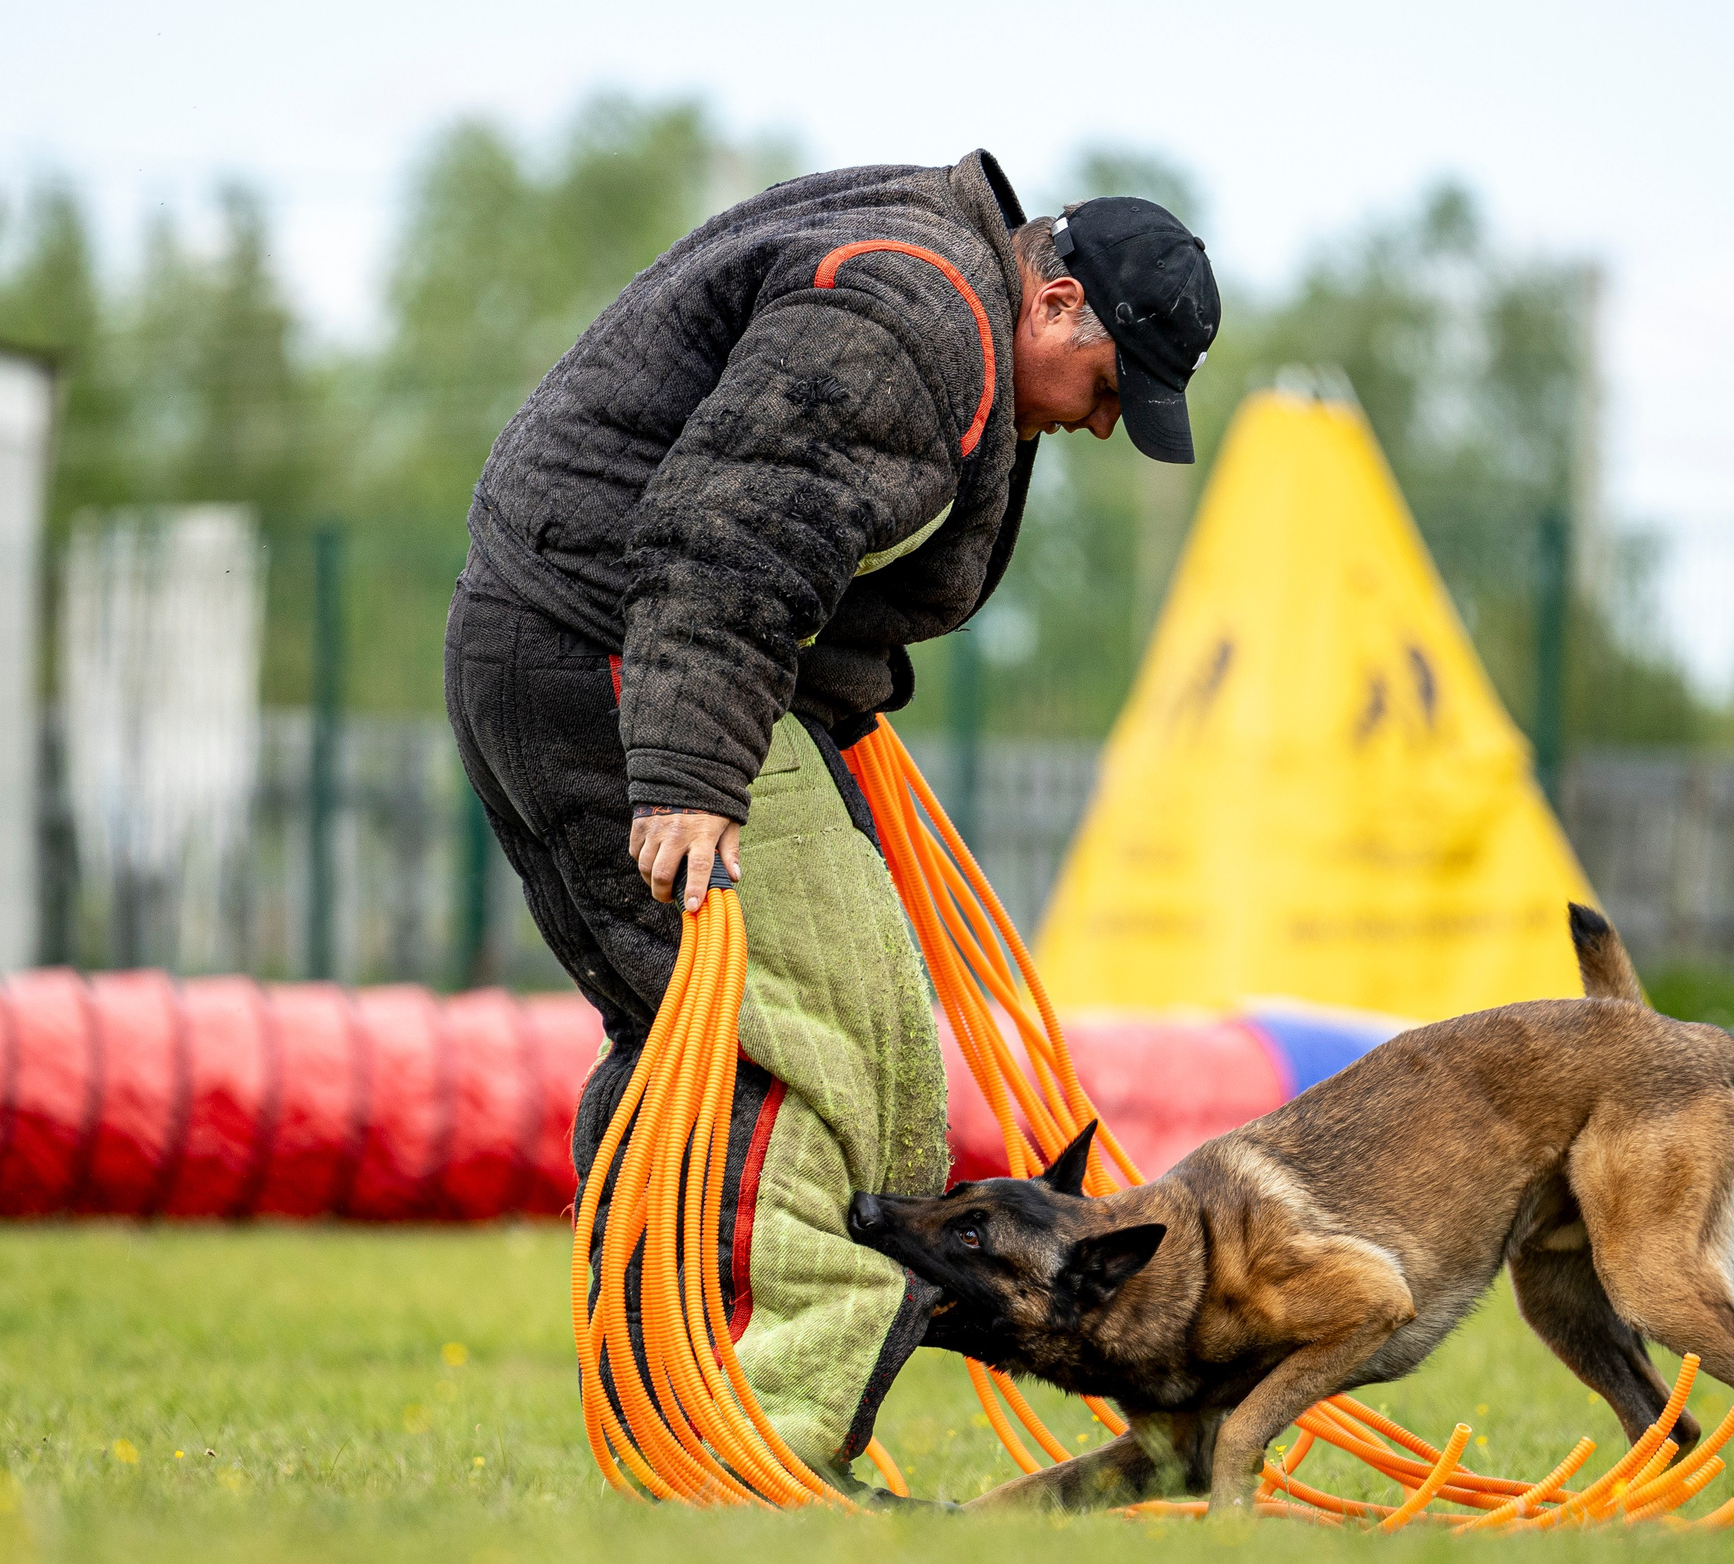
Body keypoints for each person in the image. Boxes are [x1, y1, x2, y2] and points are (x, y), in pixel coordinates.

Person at [444, 150, 1220, 1480]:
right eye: (1109, 388)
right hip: (619, 662)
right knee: (832, 1048)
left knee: (767, 1041)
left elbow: (799, 546)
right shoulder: (912, 319)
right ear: (1055, 303)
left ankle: (681, 1430)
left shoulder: (941, 291)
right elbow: (731, 536)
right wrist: (689, 774)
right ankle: (762, 1454)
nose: (1103, 425)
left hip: (614, 652)